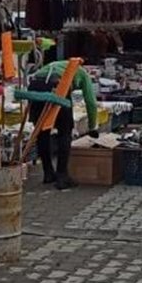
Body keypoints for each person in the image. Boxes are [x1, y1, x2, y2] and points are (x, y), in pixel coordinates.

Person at [27, 59, 98, 190]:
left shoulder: (55, 64)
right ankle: (62, 176)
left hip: (35, 86)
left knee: (42, 131)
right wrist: (93, 126)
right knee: (65, 132)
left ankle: (48, 172)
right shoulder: (83, 74)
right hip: (59, 86)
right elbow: (91, 102)